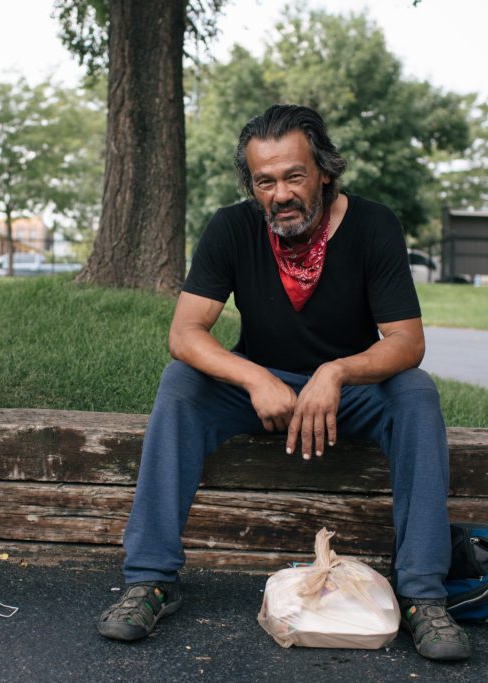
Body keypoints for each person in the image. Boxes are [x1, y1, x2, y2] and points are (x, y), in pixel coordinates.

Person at [96, 104, 469, 661]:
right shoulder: (231, 226)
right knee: (181, 382)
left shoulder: (373, 225)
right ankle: (149, 581)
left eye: (294, 176)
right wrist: (253, 377)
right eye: (264, 181)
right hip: (259, 391)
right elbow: (186, 334)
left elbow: (406, 342)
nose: (280, 194)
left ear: (323, 170)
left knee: (416, 391)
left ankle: (422, 595)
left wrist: (336, 371)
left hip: (346, 395)